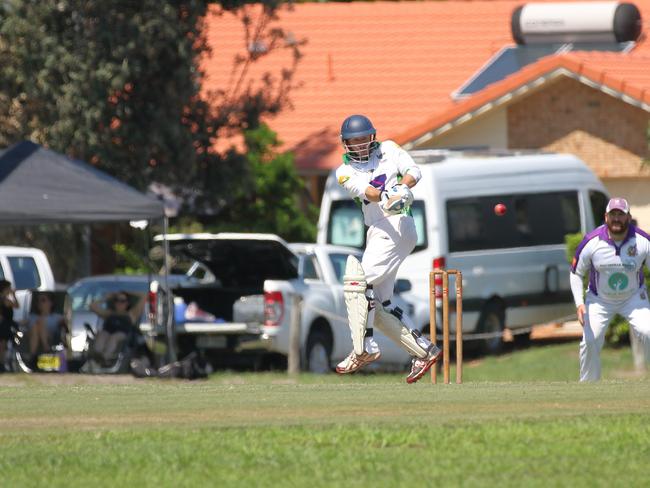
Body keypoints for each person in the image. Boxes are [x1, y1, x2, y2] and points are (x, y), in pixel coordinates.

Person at [334, 114, 441, 384]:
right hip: (378, 229)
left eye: (363, 139)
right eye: (353, 141)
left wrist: (402, 188)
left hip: (398, 224)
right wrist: (386, 195)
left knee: (356, 283)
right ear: (345, 144)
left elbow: (413, 171)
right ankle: (423, 351)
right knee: (380, 305)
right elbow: (367, 192)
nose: (359, 145)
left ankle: (363, 349)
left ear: (372, 136)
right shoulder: (344, 172)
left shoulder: (389, 149)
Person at [570, 197, 650, 381]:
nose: (616, 219)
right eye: (613, 214)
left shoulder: (643, 241)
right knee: (590, 341)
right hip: (599, 300)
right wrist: (579, 304)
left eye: (620, 215)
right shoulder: (591, 242)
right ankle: (589, 388)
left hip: (634, 298)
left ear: (628, 217)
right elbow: (575, 274)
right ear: (605, 217)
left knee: (648, 331)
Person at [90, 290, 146, 364]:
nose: (119, 303)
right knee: (102, 334)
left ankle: (105, 358)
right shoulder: (109, 313)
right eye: (117, 300)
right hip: (107, 334)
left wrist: (128, 292)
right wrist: (106, 298)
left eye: (122, 301)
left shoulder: (132, 314)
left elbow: (144, 296)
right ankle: (97, 357)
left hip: (122, 335)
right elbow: (92, 306)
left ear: (127, 303)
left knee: (114, 337)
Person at [24, 291, 67, 357]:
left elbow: (66, 324)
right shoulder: (32, 316)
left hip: (50, 336)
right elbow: (20, 322)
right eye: (38, 301)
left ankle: (32, 355)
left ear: (51, 303)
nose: (40, 303)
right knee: (36, 325)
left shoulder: (57, 317)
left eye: (43, 300)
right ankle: (46, 348)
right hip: (32, 336)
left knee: (39, 323)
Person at [0, 280, 19, 372]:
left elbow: (16, 306)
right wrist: (14, 296)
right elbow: (16, 305)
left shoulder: (5, 299)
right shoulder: (5, 300)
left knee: (3, 345)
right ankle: (2, 364)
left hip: (7, 324)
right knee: (3, 344)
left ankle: (3, 363)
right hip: (5, 325)